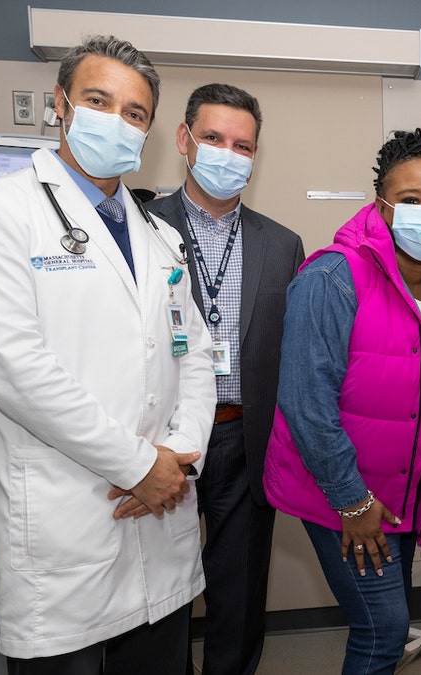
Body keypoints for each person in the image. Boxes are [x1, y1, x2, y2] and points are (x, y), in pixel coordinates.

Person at [0, 35, 216, 674]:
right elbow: (17, 371)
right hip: (69, 523)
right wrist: (139, 464)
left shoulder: (160, 237)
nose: (117, 121)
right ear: (60, 103)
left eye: (135, 112)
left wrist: (180, 458)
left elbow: (194, 355)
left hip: (162, 509)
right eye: (98, 99)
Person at [265, 128, 421, 675]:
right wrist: (352, 501)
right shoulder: (332, 277)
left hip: (404, 494)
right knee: (383, 629)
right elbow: (306, 404)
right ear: (380, 206)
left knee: (387, 624)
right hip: (340, 494)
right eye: (411, 200)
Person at [145, 83, 305, 675]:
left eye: (242, 145)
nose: (227, 153)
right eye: (213, 138)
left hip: (244, 438)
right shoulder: (138, 224)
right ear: (184, 140)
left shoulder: (282, 244)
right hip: (160, 440)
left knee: (238, 590)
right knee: (157, 588)